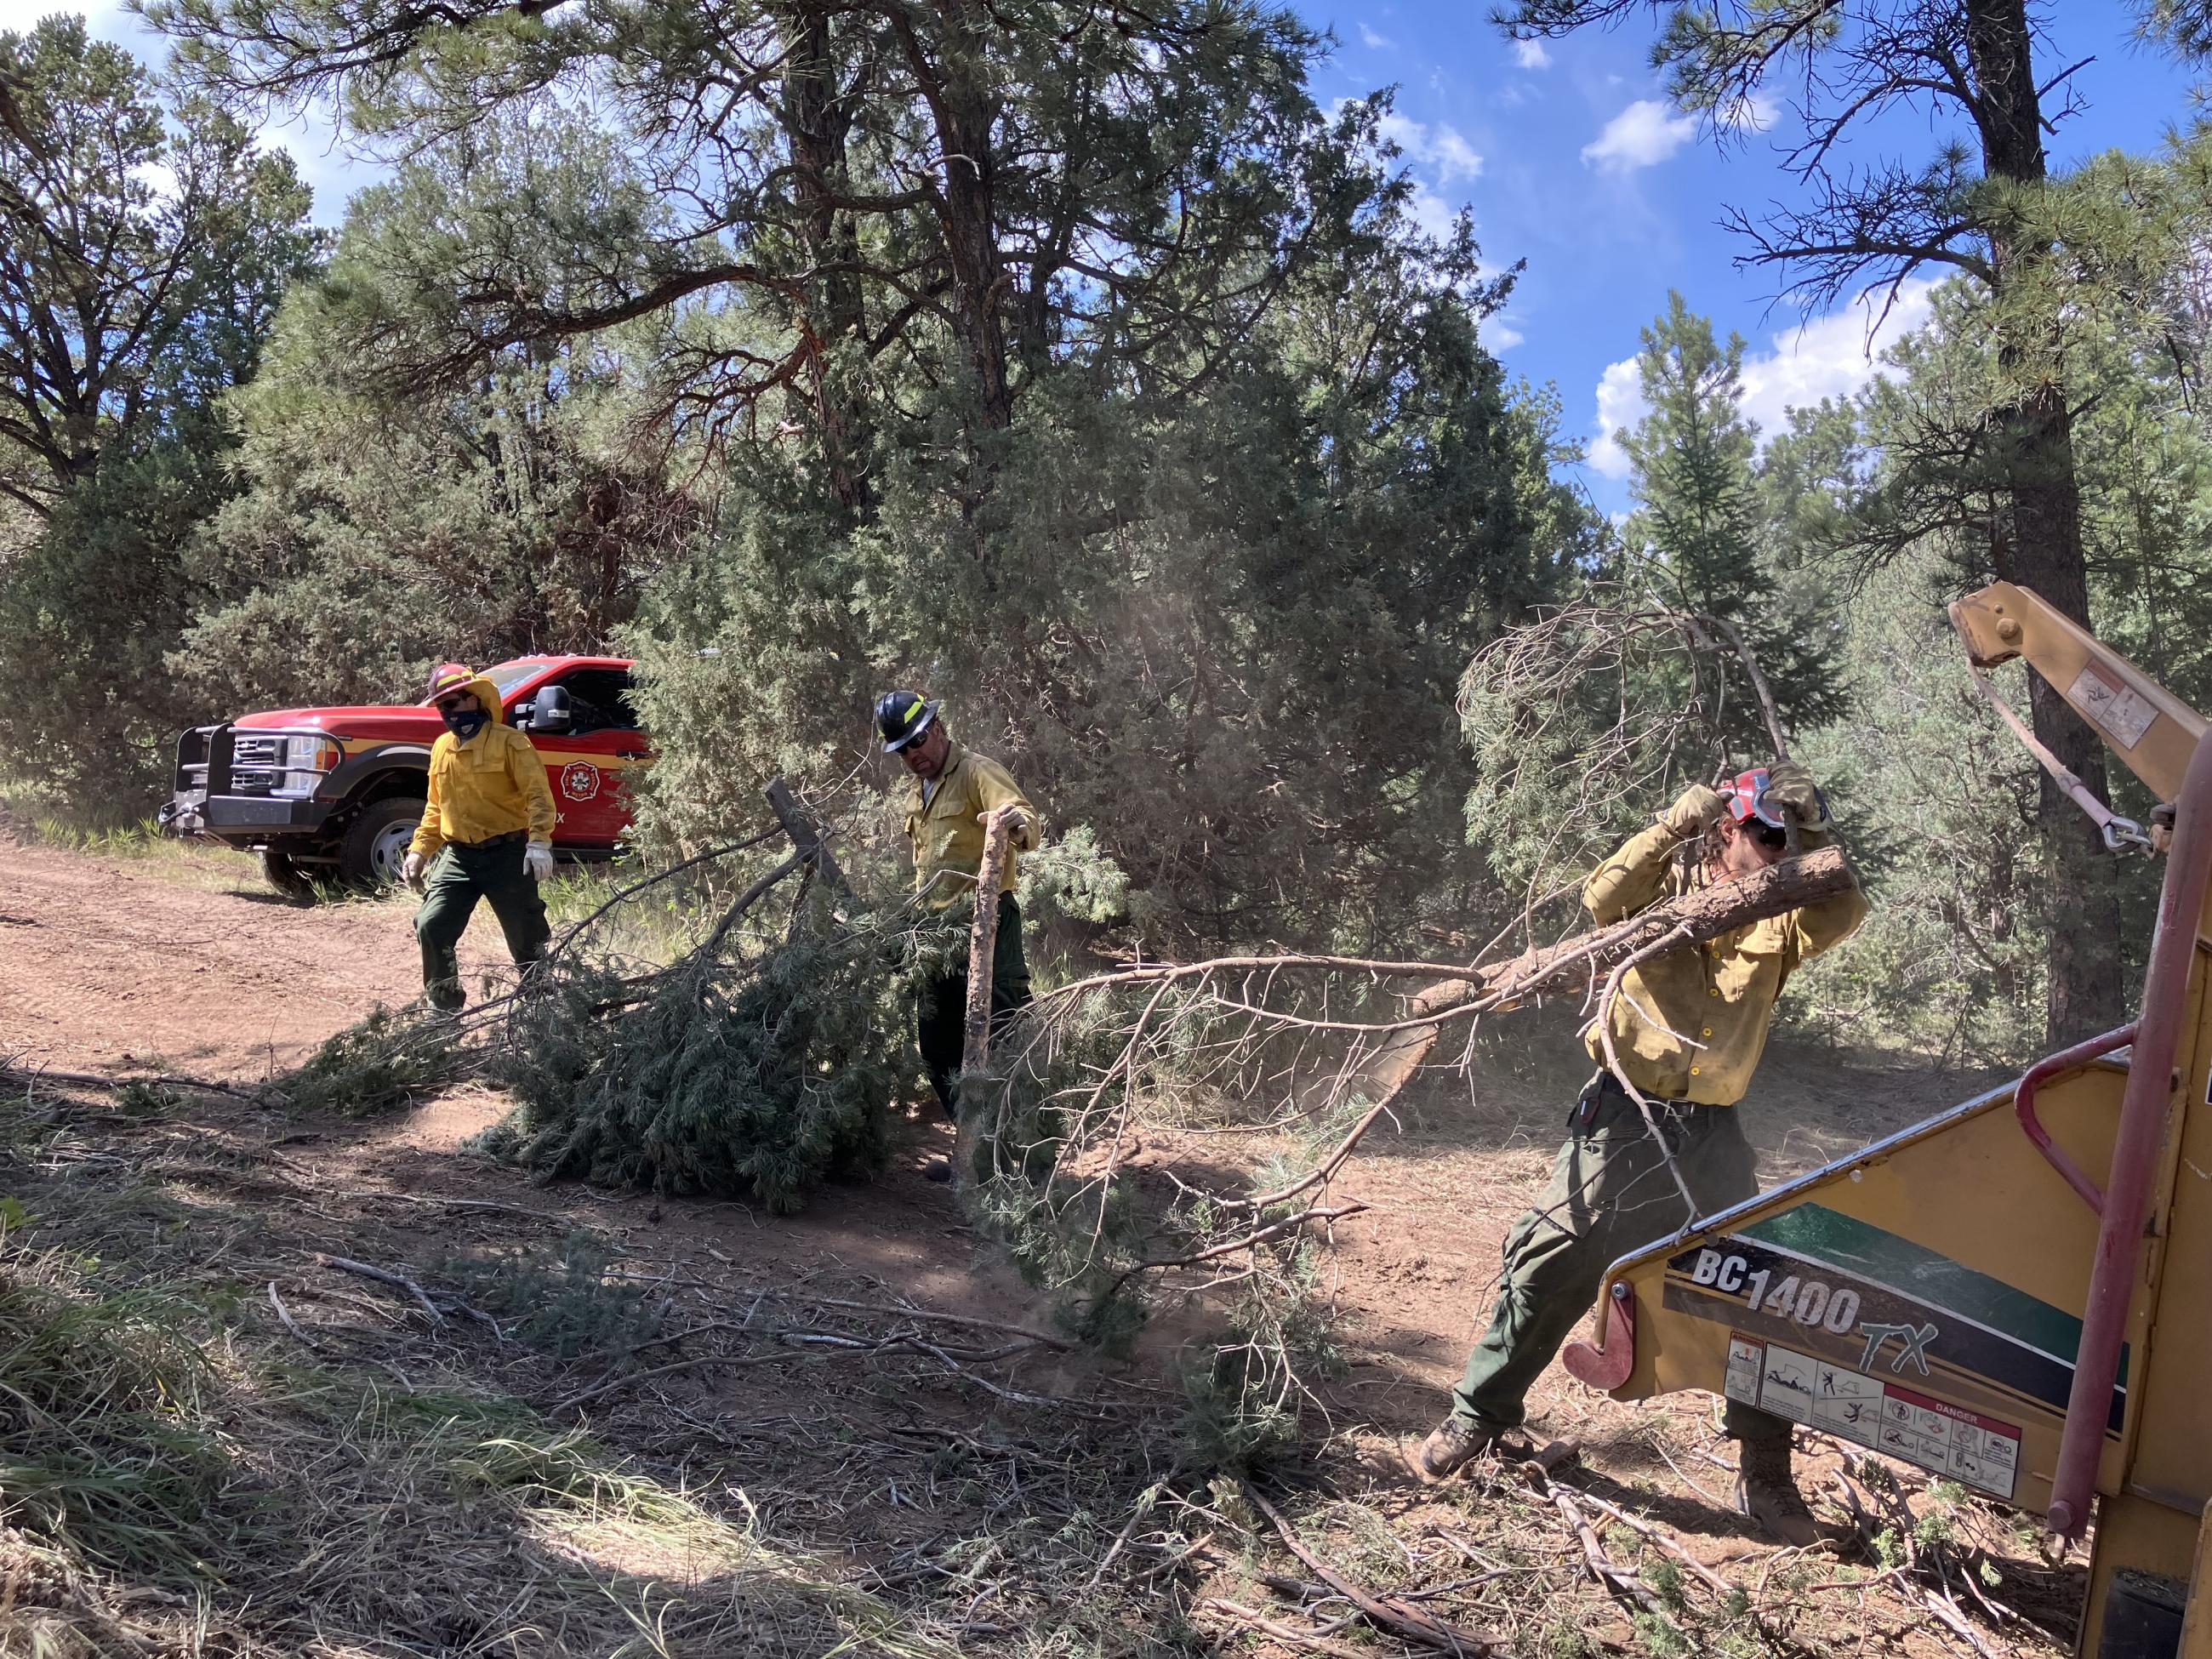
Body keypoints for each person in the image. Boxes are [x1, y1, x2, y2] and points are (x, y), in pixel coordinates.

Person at [1410, 761, 1867, 1544]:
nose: (1774, 846)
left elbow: (1845, 912)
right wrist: (1670, 825)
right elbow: (1599, 899)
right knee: (1552, 1260)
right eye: (1763, 831)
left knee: (1758, 1288)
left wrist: (1815, 829)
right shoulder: (1660, 894)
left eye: (1784, 836)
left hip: (1711, 1134)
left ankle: (1767, 1475)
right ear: (1728, 826)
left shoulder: (1783, 912)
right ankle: (1477, 1417)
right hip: (1622, 1117)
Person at [877, 691, 1039, 1169]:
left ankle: (1026, 1161)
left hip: (988, 924)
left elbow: (1022, 814)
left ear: (939, 727)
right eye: (904, 749)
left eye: (920, 740)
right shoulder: (918, 792)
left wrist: (1013, 824)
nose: (915, 754)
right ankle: (977, 1151)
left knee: (1005, 1035)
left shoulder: (975, 771)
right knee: (938, 1044)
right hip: (935, 933)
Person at [402, 663, 560, 1012]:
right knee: (431, 924)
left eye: (453, 703)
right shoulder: (442, 747)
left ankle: (543, 1011)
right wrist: (419, 852)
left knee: (527, 937)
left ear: (475, 701)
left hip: (507, 855)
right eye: (442, 706)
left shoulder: (511, 743)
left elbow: (538, 795)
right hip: (458, 857)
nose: (447, 713)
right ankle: (444, 1010)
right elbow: (435, 808)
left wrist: (539, 842)